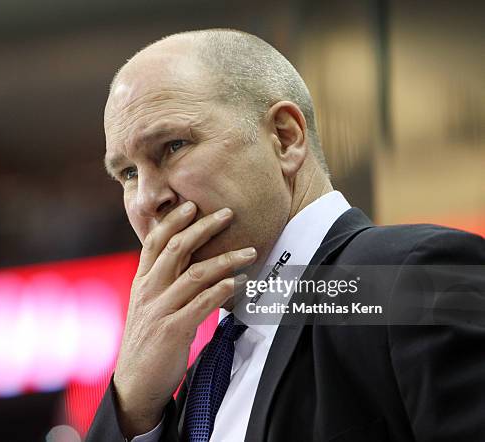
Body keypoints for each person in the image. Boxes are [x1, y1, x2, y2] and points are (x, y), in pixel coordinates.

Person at [87, 29, 485, 441]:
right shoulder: (193, 387)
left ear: (285, 137)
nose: (147, 199)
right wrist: (132, 405)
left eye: (172, 146)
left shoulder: (405, 281)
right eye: (128, 173)